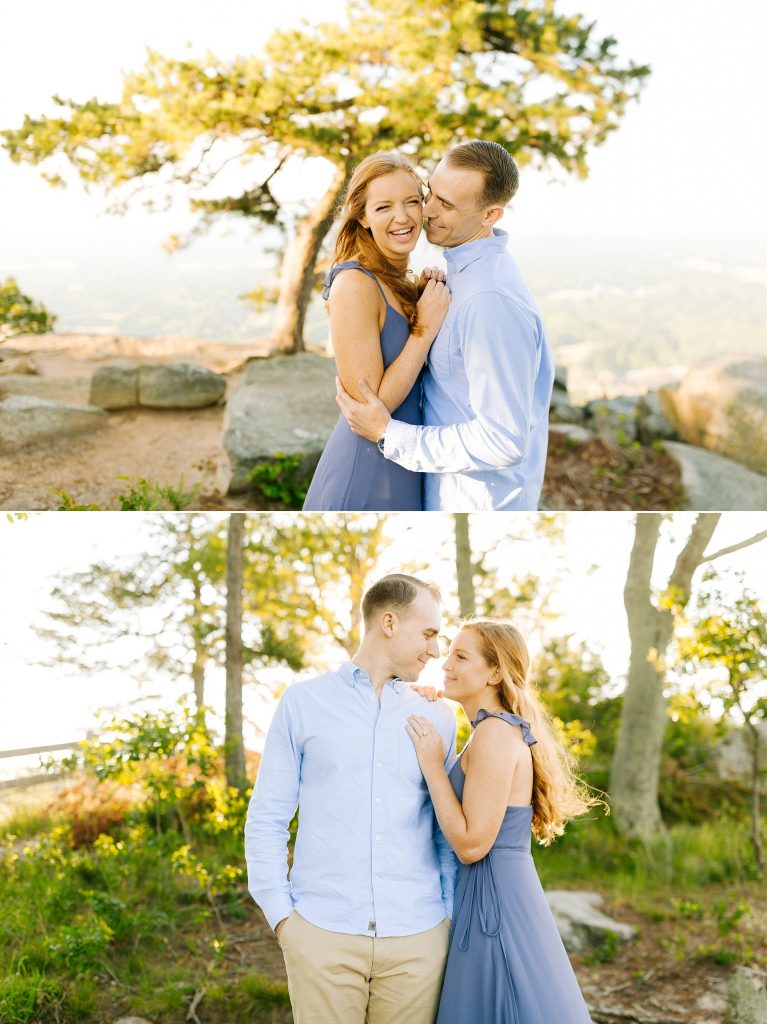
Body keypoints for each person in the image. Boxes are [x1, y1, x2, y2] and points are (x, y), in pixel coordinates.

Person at [244, 574, 459, 1024]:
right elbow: (267, 817)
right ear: (388, 622)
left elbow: (445, 827)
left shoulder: (438, 715)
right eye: (428, 634)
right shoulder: (303, 703)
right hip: (321, 934)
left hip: (419, 938)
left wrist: (448, 916)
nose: (435, 650)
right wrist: (284, 920)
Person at [336, 140, 555, 512]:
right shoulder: (460, 277)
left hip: (475, 501)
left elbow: (503, 440)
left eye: (447, 205)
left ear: (490, 216)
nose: (427, 212)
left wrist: (392, 435)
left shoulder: (488, 301)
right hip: (431, 486)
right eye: (430, 194)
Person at [407, 620, 595, 1024]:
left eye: (461, 656)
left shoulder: (494, 732)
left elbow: (473, 845)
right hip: (495, 890)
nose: (445, 664)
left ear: (494, 672)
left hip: (496, 897)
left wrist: (433, 766)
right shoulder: (490, 730)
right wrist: (422, 701)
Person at [302, 151, 451, 511]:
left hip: (403, 460)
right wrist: (424, 329)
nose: (402, 217)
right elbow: (373, 407)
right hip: (367, 470)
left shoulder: (394, 278)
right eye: (383, 207)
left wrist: (418, 300)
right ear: (363, 218)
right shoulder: (354, 283)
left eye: (412, 202)